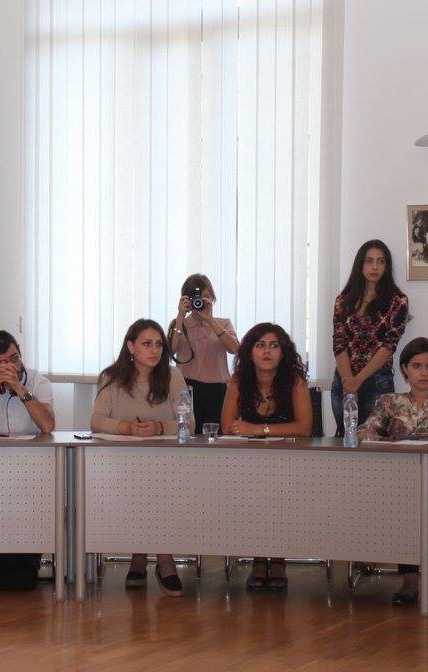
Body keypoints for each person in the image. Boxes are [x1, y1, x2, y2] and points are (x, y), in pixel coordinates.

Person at [357, 337, 428, 605]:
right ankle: (408, 577)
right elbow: (364, 432)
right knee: (404, 491)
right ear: (405, 370)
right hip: (400, 477)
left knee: (409, 492)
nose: (424, 373)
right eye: (417, 366)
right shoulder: (389, 402)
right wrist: (387, 439)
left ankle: (390, 563)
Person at [90, 319, 188, 596]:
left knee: (158, 493)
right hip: (124, 462)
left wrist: (159, 427)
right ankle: (141, 556)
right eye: (147, 344)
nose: (154, 350)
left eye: (159, 344)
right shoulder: (111, 377)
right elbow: (96, 421)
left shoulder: (174, 376)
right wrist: (127, 428)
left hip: (166, 463)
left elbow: (188, 423)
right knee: (138, 492)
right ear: (131, 347)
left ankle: (161, 559)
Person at [221, 323, 312, 591]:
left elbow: (305, 428)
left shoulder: (295, 381)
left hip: (290, 461)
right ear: (250, 352)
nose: (267, 351)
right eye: (260, 345)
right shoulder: (239, 381)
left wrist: (258, 429)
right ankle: (259, 558)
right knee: (254, 493)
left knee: (279, 493)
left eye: (274, 346)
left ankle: (278, 558)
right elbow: (227, 426)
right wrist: (255, 432)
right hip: (250, 462)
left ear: (283, 353)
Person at [331, 239, 410, 435]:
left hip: (377, 381)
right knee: (345, 438)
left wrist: (358, 380)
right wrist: (349, 382)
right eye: (369, 261)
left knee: (374, 439)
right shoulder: (343, 300)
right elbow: (339, 342)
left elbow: (389, 346)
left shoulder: (397, 301)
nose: (374, 267)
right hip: (344, 379)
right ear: (360, 264)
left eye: (380, 262)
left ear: (387, 266)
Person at [168, 274, 239, 428]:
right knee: (187, 432)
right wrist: (180, 316)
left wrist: (210, 320)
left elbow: (235, 349)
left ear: (212, 298)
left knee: (216, 434)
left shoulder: (223, 323)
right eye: (195, 297)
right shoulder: (179, 324)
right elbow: (170, 351)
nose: (200, 301)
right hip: (187, 389)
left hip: (217, 390)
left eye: (205, 296)